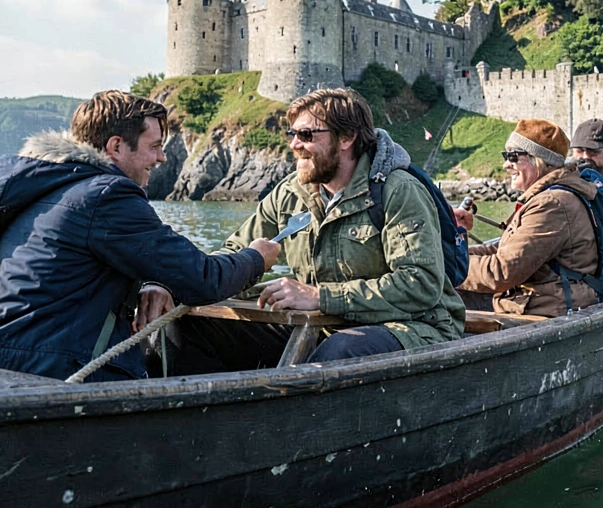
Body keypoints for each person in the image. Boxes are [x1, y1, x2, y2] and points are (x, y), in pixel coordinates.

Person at [164, 88, 467, 374]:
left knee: (339, 352)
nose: (294, 144)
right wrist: (178, 286)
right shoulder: (290, 193)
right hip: (322, 323)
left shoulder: (398, 191)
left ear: (347, 137)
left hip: (413, 327)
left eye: (306, 135)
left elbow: (420, 284)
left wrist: (320, 297)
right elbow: (235, 251)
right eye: (292, 134)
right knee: (185, 327)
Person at [0, 90, 280, 381]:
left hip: (14, 363)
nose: (161, 157)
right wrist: (256, 258)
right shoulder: (106, 196)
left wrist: (155, 281)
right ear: (116, 146)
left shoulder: (45, 187)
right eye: (154, 146)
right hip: (58, 372)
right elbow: (203, 279)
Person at [459, 119, 600, 316]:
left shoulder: (551, 204)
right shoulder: (549, 198)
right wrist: (451, 253)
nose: (506, 164)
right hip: (541, 302)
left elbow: (502, 272)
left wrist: (449, 264)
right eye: (506, 156)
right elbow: (504, 250)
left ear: (539, 160)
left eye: (513, 156)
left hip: (548, 312)